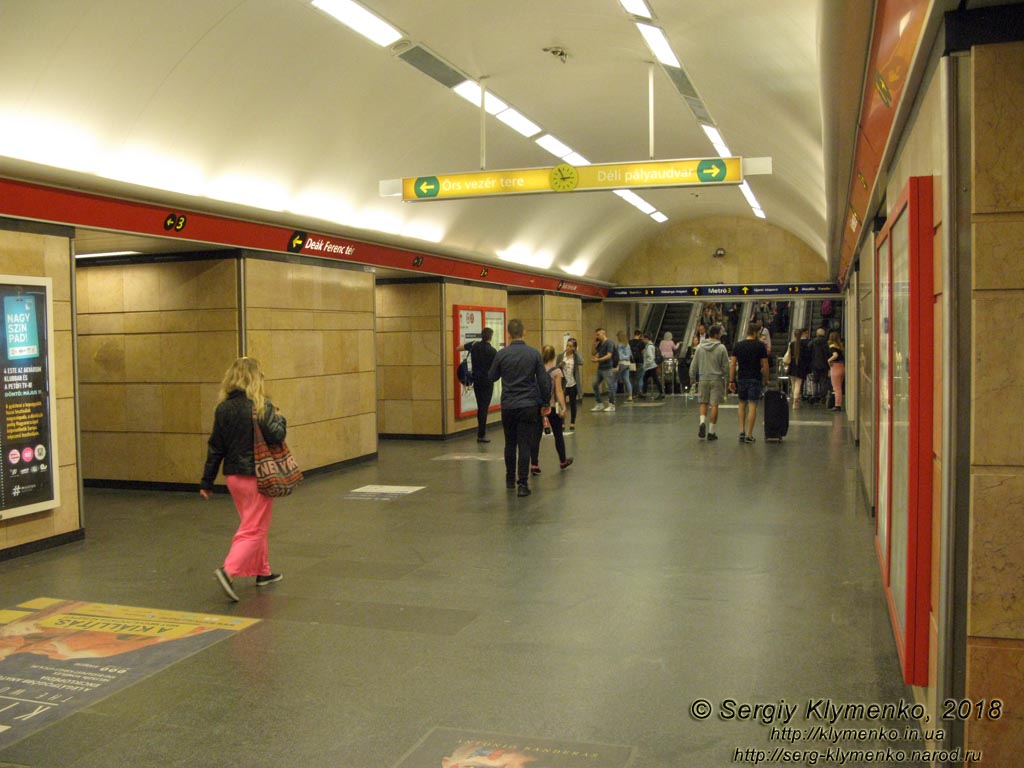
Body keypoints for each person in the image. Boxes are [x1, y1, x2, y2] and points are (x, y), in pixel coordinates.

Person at [200, 357, 287, 602]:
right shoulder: (261, 405)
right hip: (257, 475)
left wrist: (207, 481)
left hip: (234, 478)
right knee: (254, 528)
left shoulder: (223, 408)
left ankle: (263, 571)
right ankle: (228, 571)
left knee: (252, 523)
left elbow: (216, 447)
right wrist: (280, 418)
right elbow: (277, 435)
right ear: (255, 378)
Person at [488, 319, 551, 497]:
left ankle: (509, 479)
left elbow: (492, 376)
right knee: (525, 444)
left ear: (508, 334)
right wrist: (545, 402)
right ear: (524, 333)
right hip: (529, 405)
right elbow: (544, 380)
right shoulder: (534, 354)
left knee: (510, 443)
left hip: (508, 405)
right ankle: (522, 483)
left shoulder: (502, 354)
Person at [531, 345, 574, 472]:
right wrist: (564, 407)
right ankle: (562, 460)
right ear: (554, 356)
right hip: (551, 406)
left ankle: (534, 464)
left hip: (537, 406)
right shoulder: (556, 371)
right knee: (558, 434)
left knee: (536, 435)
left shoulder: (536, 370)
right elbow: (559, 391)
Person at [729, 322, 770, 443]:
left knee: (742, 404)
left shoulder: (738, 345)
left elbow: (732, 364)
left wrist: (731, 380)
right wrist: (766, 379)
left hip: (741, 378)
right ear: (755, 333)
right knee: (753, 406)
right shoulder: (760, 346)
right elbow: (765, 365)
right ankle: (749, 434)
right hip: (755, 378)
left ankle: (741, 431)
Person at [689, 324, 730, 440]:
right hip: (717, 380)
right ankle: (711, 432)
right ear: (716, 334)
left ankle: (702, 422)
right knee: (714, 405)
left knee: (703, 402)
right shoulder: (721, 348)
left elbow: (694, 364)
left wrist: (692, 377)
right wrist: (727, 378)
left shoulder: (700, 347)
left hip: (703, 378)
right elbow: (726, 366)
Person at [461, 326, 498, 443]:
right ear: (490, 337)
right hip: (487, 382)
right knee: (484, 407)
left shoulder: (474, 345)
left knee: (480, 406)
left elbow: (458, 348)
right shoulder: (493, 351)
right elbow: (496, 368)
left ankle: (480, 433)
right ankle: (481, 435)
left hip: (476, 380)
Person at [556, 337, 583, 431]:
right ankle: (562, 423)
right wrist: (560, 365)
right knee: (561, 403)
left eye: (571, 346)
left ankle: (572, 422)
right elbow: (556, 368)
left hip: (573, 383)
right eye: (567, 345)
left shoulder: (575, 357)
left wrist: (577, 352)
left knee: (573, 403)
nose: (568, 347)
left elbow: (581, 361)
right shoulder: (561, 356)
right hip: (563, 384)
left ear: (574, 348)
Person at [782, 328, 811, 408]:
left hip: (792, 365)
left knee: (793, 384)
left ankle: (794, 400)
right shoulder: (804, 345)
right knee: (798, 384)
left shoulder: (791, 344)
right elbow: (807, 356)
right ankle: (795, 402)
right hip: (800, 366)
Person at [590, 327, 617, 412]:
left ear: (603, 333)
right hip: (600, 368)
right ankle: (599, 403)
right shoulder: (600, 344)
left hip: (607, 368)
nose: (597, 336)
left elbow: (609, 355)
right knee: (595, 384)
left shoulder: (609, 343)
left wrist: (598, 360)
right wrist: (594, 343)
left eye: (598, 334)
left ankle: (612, 404)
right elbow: (593, 352)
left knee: (610, 386)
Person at [639, 331, 665, 399]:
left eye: (643, 339)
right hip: (651, 366)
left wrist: (646, 364)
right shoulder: (649, 346)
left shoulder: (649, 347)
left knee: (651, 379)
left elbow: (650, 357)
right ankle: (645, 392)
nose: (643, 340)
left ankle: (660, 393)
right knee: (649, 379)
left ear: (647, 338)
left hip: (650, 366)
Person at [809, 327, 831, 402]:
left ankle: (814, 395)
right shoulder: (826, 342)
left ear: (817, 334)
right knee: (824, 380)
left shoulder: (812, 342)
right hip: (824, 364)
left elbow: (809, 351)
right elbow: (828, 353)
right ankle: (823, 396)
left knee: (815, 380)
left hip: (814, 364)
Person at [827, 331, 846, 411]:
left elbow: (835, 355)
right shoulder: (840, 347)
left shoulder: (832, 346)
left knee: (836, 388)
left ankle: (837, 405)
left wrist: (829, 360)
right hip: (842, 366)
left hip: (835, 367)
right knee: (839, 387)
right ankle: (838, 403)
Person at [615, 330, 634, 402]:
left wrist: (618, 363)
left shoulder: (620, 345)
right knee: (627, 380)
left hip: (622, 363)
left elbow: (620, 355)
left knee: (614, 379)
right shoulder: (627, 344)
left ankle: (612, 396)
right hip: (628, 363)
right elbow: (629, 355)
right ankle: (630, 396)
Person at [629, 329, 646, 395]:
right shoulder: (642, 342)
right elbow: (643, 352)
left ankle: (632, 392)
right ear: (640, 335)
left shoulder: (629, 342)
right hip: (639, 361)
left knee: (631, 377)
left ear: (634, 334)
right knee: (638, 378)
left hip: (632, 362)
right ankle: (638, 392)